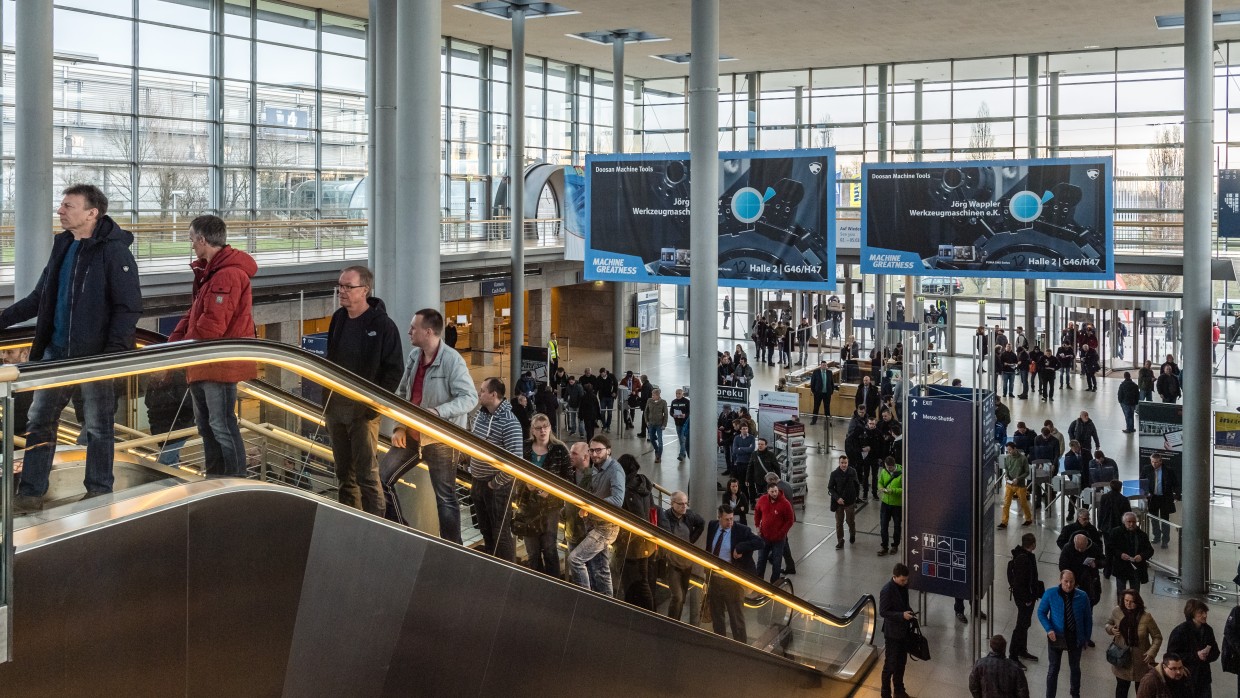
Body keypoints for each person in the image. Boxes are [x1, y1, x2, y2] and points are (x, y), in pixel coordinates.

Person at [6, 184, 142, 513]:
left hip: (95, 357)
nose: (60, 211)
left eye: (68, 205)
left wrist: (111, 355)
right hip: (56, 354)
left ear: (92, 213)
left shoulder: (114, 252)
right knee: (39, 420)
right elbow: (39, 298)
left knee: (98, 426)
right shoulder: (64, 245)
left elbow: (128, 307)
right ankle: (31, 492)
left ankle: (98, 491)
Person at [165, 214, 258, 478]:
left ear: (203, 240)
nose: (192, 245)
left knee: (220, 425)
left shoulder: (225, 275)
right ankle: (217, 478)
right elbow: (196, 314)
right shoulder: (212, 273)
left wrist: (180, 348)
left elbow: (212, 326)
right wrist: (175, 343)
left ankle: (234, 481)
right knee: (208, 426)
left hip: (218, 363)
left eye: (192, 239)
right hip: (205, 363)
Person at [392, 308, 479, 545]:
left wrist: (438, 413)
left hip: (440, 438)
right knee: (381, 478)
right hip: (411, 434)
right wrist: (399, 426)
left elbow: (470, 398)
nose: (409, 331)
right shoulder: (414, 357)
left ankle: (452, 548)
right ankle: (402, 532)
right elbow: (402, 393)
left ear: (428, 332)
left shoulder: (452, 361)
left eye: (413, 327)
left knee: (446, 498)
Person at [323, 265, 404, 514]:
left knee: (367, 476)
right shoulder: (339, 318)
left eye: (348, 286)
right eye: (340, 285)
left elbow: (394, 370)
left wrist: (373, 407)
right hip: (336, 409)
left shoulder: (382, 325)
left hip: (363, 412)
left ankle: (375, 527)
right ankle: (351, 523)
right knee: (343, 473)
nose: (342, 291)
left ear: (365, 290)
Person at [468, 377, 524, 562]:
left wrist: (494, 483)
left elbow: (516, 461)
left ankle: (507, 570)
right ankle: (491, 565)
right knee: (485, 529)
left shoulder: (510, 422)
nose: (479, 393)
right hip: (477, 481)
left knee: (500, 532)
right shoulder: (480, 414)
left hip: (496, 487)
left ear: (493, 394)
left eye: (483, 390)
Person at [567, 435, 625, 594]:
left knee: (575, 559)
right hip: (594, 524)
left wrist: (591, 507)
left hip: (606, 527)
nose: (595, 454)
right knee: (599, 568)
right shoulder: (595, 469)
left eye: (599, 450)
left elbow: (618, 499)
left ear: (609, 450)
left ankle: (585, 598)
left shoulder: (615, 469)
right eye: (592, 450)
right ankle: (603, 602)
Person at [518, 413, 571, 577]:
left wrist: (551, 491)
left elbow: (568, 478)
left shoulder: (560, 449)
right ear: (532, 430)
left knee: (549, 547)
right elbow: (514, 471)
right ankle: (535, 583)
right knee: (532, 551)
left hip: (550, 506)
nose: (543, 431)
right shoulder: (524, 447)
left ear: (550, 428)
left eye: (546, 426)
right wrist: (524, 483)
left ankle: (554, 582)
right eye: (539, 428)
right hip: (527, 506)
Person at [705, 503, 761, 642]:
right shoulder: (712, 525)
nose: (730, 522)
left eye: (731, 518)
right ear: (719, 517)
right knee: (717, 616)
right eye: (726, 519)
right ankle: (720, 643)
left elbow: (760, 543)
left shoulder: (741, 530)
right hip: (715, 579)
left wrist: (740, 547)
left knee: (736, 619)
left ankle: (741, 646)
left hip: (733, 582)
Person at [1039, 569, 1093, 698]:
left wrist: (1086, 638)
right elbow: (1041, 612)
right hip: (1056, 636)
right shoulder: (1050, 594)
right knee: (1053, 669)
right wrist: (1048, 629)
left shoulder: (1082, 596)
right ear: (1060, 580)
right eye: (1066, 581)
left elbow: (1088, 619)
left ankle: (1075, 694)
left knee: (1075, 668)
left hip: (1075, 638)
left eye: (1071, 581)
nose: (1069, 585)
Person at [1104, 589, 1163, 698]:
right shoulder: (1117, 612)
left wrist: (1151, 653)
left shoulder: (1146, 617)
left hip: (1141, 660)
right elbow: (1108, 623)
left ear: (1138, 602)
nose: (1128, 604)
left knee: (1142, 691)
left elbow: (1157, 637)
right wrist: (1111, 629)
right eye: (1126, 600)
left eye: (1131, 601)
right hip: (1121, 658)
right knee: (1121, 689)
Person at [657, 490, 705, 623]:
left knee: (682, 597)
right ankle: (671, 623)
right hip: (672, 563)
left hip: (686, 563)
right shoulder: (665, 516)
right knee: (677, 596)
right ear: (672, 504)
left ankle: (676, 622)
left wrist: (690, 542)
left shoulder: (689, 516)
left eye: (686, 503)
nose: (684, 506)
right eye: (681, 504)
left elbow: (701, 523)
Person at [1168, 598, 1221, 697]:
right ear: (1192, 614)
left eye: (1205, 612)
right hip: (1186, 677)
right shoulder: (1180, 631)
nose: (1205, 615)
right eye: (1201, 613)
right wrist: (1196, 655)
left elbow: (1216, 652)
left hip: (1203, 678)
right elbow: (1171, 655)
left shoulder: (1208, 630)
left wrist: (1206, 656)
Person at [879, 562, 916, 698]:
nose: (905, 582)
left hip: (903, 632)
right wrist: (901, 615)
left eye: (906, 580)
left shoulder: (903, 587)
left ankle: (899, 690)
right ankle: (885, 692)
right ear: (894, 577)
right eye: (902, 580)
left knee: (901, 663)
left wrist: (909, 612)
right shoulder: (887, 590)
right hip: (892, 634)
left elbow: (905, 604)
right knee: (890, 664)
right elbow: (883, 612)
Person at [143, 370, 194, 466]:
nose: (152, 372)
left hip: (177, 427)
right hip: (162, 428)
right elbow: (148, 402)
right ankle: (175, 480)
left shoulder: (178, 379)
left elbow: (187, 403)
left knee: (164, 462)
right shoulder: (154, 382)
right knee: (170, 463)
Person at [1009, 533, 1043, 670]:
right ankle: (1013, 655)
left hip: (1027, 597)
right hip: (1024, 599)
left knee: (1025, 624)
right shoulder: (1024, 559)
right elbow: (1021, 583)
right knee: (1021, 626)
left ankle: (1022, 649)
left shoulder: (1023, 555)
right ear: (1033, 544)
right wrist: (1027, 600)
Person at [753, 481, 795, 583]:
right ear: (768, 492)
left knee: (777, 562)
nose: (775, 493)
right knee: (761, 560)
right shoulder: (762, 500)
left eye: (776, 491)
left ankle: (774, 583)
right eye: (772, 492)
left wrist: (782, 533)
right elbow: (757, 512)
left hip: (779, 540)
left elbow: (790, 520)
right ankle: (758, 581)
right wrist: (757, 526)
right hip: (764, 537)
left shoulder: (785, 503)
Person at [1108, 512, 1155, 597]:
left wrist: (1141, 556)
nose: (1131, 524)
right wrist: (1120, 554)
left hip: (1136, 568)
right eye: (1129, 522)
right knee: (1121, 592)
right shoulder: (1116, 532)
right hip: (1121, 567)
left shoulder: (1142, 535)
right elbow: (1110, 548)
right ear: (1124, 522)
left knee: (1135, 593)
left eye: (1133, 522)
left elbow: (1150, 550)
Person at [1142, 453, 1180, 549]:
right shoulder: (1146, 469)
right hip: (1152, 498)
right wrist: (1145, 493)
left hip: (1165, 498)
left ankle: (1165, 540)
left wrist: (1176, 495)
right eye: (1152, 462)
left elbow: (1176, 484)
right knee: (1154, 519)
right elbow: (1142, 482)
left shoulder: (1168, 471)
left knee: (1165, 520)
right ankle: (1157, 536)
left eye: (1156, 462)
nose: (1154, 464)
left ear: (1161, 461)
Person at [998, 442, 1034, 529]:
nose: (1009, 452)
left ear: (1015, 448)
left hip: (1020, 485)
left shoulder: (1023, 459)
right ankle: (1004, 522)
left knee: (1023, 503)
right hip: (1009, 484)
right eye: (1007, 450)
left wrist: (1018, 479)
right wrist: (1006, 476)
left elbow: (1027, 472)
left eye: (1010, 450)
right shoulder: (1007, 458)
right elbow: (1006, 469)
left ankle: (1028, 519)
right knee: (1006, 503)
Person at [829, 454, 860, 549]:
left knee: (850, 521)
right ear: (839, 463)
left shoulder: (852, 472)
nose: (844, 465)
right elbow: (830, 487)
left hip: (850, 502)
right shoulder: (834, 474)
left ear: (848, 463)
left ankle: (852, 533)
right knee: (839, 523)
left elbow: (857, 485)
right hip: (839, 503)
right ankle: (840, 540)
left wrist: (855, 498)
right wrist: (837, 498)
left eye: (845, 463)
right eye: (842, 463)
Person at [877, 456, 903, 557]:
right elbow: (880, 482)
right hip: (885, 503)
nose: (889, 469)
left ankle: (895, 545)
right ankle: (884, 546)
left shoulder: (902, 474)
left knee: (897, 526)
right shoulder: (884, 471)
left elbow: (904, 489)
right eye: (887, 467)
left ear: (894, 465)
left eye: (891, 468)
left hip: (897, 505)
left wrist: (893, 491)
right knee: (883, 526)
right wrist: (881, 488)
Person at [1097, 480, 1133, 544]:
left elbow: (1101, 513)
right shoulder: (1124, 499)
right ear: (1120, 488)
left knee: (1107, 546)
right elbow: (1128, 514)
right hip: (1119, 526)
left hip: (1106, 527)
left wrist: (1099, 526)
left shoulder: (1104, 497)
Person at [746, 437, 778, 503]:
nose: (760, 446)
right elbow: (750, 467)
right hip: (757, 480)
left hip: (768, 481)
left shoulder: (771, 455)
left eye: (762, 444)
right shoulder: (754, 454)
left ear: (766, 445)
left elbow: (777, 468)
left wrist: (778, 480)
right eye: (759, 444)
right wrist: (747, 479)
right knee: (759, 495)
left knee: (767, 495)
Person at [644, 386, 668, 463]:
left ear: (658, 396)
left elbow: (666, 414)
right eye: (652, 395)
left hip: (659, 425)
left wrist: (664, 424)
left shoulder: (663, 402)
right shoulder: (649, 401)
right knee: (651, 439)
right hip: (651, 423)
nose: (652, 396)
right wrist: (647, 421)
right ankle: (656, 449)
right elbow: (646, 411)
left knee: (660, 441)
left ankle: (658, 456)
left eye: (653, 395)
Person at [809, 360, 835, 425]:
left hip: (827, 393)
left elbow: (832, 383)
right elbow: (812, 383)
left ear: (826, 366)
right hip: (818, 394)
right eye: (823, 365)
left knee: (827, 408)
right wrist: (814, 391)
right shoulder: (816, 372)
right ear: (821, 366)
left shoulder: (829, 372)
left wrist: (831, 391)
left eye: (825, 365)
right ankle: (814, 421)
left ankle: (828, 422)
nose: (824, 366)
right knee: (816, 407)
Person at [670, 387, 690, 461]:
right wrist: (673, 415)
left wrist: (685, 415)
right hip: (677, 423)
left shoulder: (687, 402)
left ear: (682, 394)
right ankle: (683, 453)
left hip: (685, 423)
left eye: (679, 394)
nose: (677, 395)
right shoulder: (673, 402)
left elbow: (690, 412)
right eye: (676, 394)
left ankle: (681, 454)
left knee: (682, 439)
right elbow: (671, 411)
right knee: (681, 439)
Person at [596, 367, 617, 433]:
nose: (602, 375)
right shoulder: (598, 378)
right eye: (601, 374)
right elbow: (597, 388)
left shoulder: (611, 376)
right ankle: (604, 426)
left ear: (605, 372)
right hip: (603, 398)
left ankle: (608, 426)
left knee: (610, 413)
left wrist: (614, 392)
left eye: (603, 374)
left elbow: (616, 385)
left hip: (610, 397)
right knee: (602, 413)